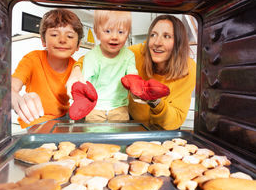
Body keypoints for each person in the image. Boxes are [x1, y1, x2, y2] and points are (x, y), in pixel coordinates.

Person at [68, 14, 196, 130]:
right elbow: (102, 55)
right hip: (133, 124)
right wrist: (76, 70)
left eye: (166, 36)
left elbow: (175, 121)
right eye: (153, 35)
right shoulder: (137, 53)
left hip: (165, 129)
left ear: (178, 43)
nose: (157, 43)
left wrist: (155, 102)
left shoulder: (188, 68)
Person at [11, 9, 83, 128]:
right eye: (54, 35)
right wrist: (15, 98)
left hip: (64, 118)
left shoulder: (76, 67)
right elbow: (12, 87)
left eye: (70, 36)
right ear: (43, 41)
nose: (62, 40)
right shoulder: (33, 59)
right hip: (36, 118)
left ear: (78, 45)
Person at [68, 10, 138, 122]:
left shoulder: (129, 55)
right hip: (95, 108)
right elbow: (85, 82)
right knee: (94, 136)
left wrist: (137, 86)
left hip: (120, 108)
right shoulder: (92, 56)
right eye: (108, 31)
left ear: (128, 33)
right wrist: (78, 100)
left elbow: (132, 76)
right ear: (97, 32)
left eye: (121, 32)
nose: (114, 37)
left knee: (119, 136)